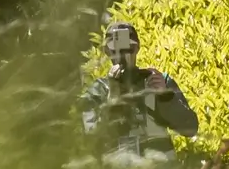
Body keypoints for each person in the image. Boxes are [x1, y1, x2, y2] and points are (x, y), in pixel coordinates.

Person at [84, 20, 198, 156]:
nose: (123, 55)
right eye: (115, 50)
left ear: (137, 48)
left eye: (129, 49)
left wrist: (165, 97)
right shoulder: (98, 90)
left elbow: (190, 128)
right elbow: (91, 140)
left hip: (160, 167)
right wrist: (113, 97)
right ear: (107, 51)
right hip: (120, 167)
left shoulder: (157, 81)